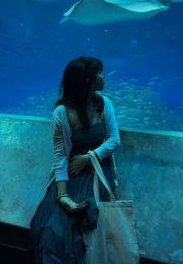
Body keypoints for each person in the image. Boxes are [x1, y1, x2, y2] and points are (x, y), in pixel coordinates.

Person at [27, 56, 121, 264]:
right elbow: (60, 156)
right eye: (98, 73)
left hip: (96, 170)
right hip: (70, 173)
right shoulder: (60, 112)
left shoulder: (104, 104)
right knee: (52, 228)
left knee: (84, 221)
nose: (103, 78)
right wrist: (62, 196)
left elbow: (115, 140)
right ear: (87, 80)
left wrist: (88, 158)